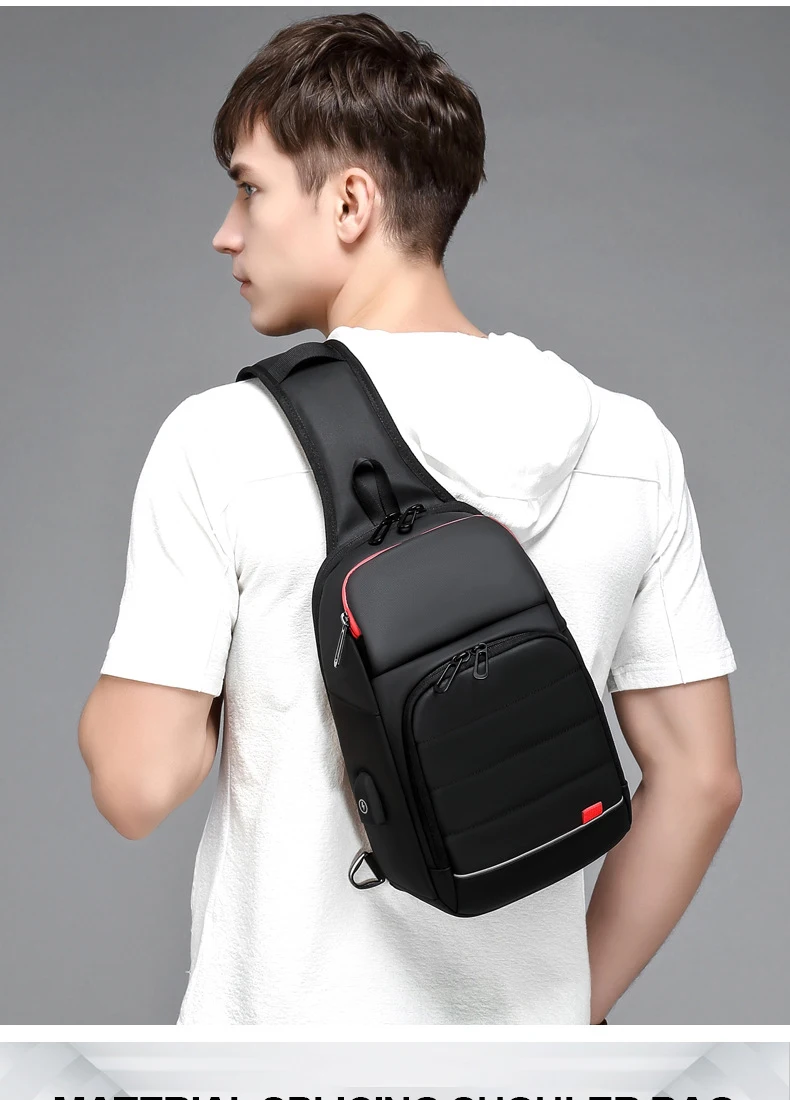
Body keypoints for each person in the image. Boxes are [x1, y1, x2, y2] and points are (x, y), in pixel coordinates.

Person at [77, 12, 741, 1025]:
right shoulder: (628, 446)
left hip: (276, 1095)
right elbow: (701, 780)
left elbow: (137, 784)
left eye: (250, 187)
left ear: (350, 202)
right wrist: (566, 1017)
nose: (227, 230)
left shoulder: (225, 439)